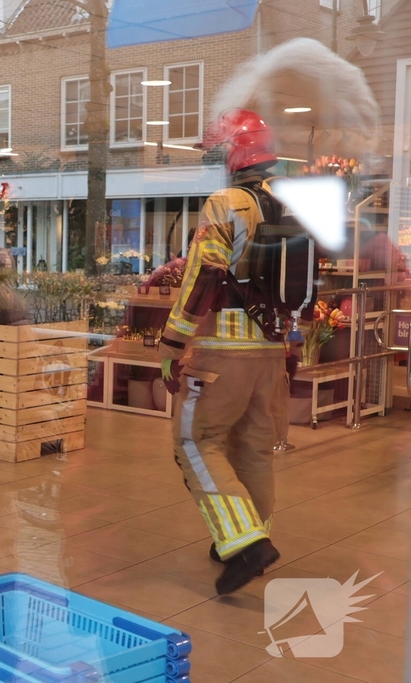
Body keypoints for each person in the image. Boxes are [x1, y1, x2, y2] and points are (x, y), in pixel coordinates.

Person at [159, 110, 298, 595]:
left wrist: (173, 342)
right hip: (270, 352)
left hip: (221, 352)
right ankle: (248, 537)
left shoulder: (225, 204)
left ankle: (245, 544)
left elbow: (204, 275)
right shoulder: (287, 205)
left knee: (195, 441)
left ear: (233, 155)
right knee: (254, 448)